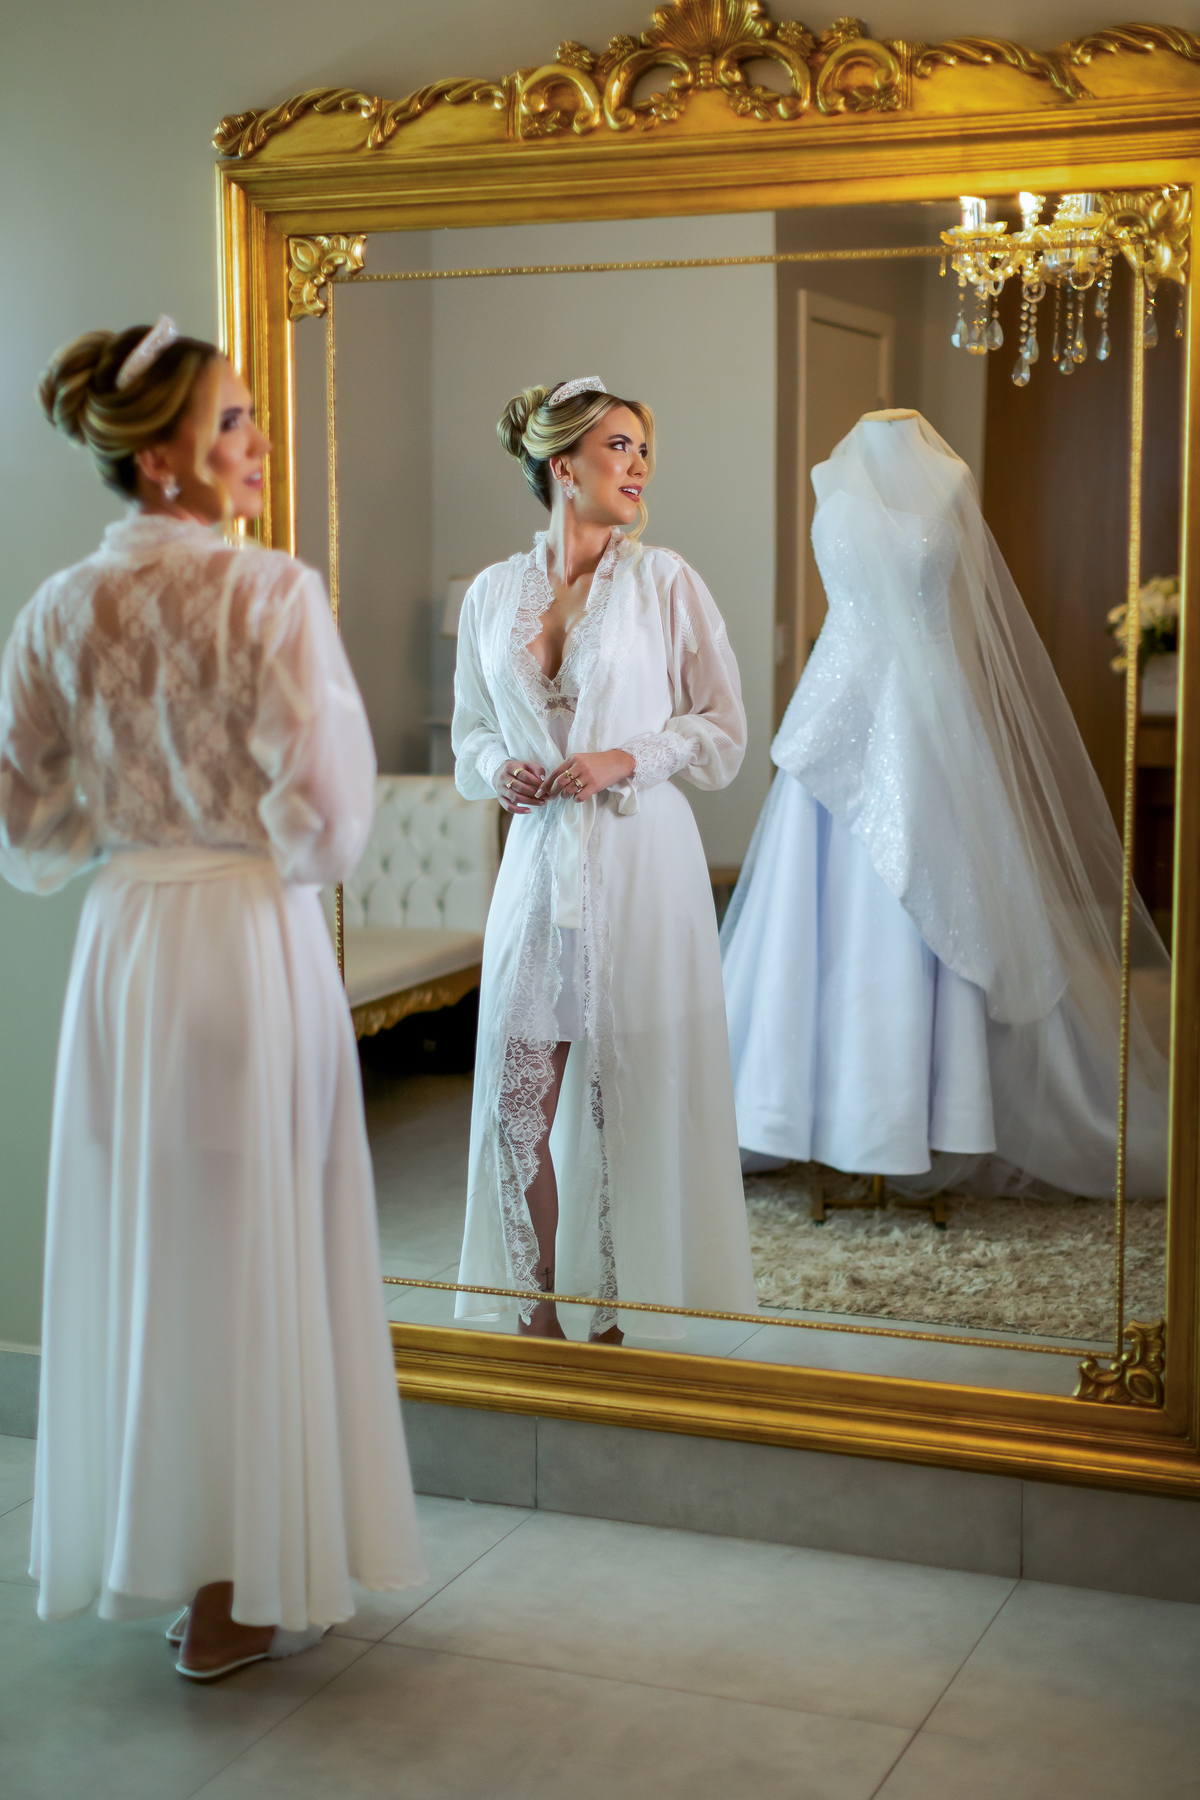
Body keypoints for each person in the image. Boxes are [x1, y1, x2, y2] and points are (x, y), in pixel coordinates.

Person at [0, 318, 425, 1681]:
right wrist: (236, 839)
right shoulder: (272, 594)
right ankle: (237, 1586)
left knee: (153, 1244)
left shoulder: (57, 609)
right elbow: (330, 818)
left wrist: (138, 831)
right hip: (245, 937)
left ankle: (174, 1559)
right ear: (164, 457)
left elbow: (25, 820)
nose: (260, 445)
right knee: (256, 1239)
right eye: (234, 421)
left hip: (129, 946)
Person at [721, 408, 1170, 1200]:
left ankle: (919, 1116)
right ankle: (800, 1116)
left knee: (929, 911)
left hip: (926, 722)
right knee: (813, 920)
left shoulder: (951, 478)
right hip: (836, 721)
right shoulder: (827, 476)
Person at [452, 377, 756, 1339]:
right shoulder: (491, 595)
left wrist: (623, 757)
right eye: (619, 447)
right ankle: (536, 1311)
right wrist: (497, 767)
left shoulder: (665, 583)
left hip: (639, 862)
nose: (639, 467)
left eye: (642, 450)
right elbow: (468, 732)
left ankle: (624, 1320)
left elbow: (722, 729)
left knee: (630, 1098)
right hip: (537, 866)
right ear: (562, 465)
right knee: (516, 1104)